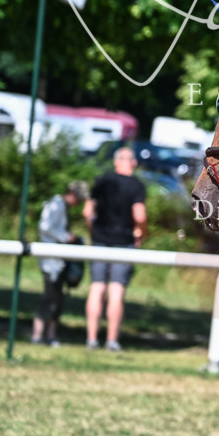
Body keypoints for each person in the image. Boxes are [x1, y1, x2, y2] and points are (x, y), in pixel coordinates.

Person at [82, 147, 147, 351]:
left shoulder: (102, 181)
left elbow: (87, 212)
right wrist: (140, 233)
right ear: (133, 163)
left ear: (115, 161)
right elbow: (140, 216)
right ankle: (112, 341)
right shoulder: (136, 185)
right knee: (116, 290)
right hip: (124, 241)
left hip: (100, 239)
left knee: (97, 287)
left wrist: (93, 230)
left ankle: (91, 339)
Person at [31, 180, 90, 347]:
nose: (78, 203)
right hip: (51, 260)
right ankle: (38, 335)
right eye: (78, 199)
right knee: (50, 297)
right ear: (72, 194)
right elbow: (45, 226)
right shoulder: (57, 204)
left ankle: (50, 335)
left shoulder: (62, 206)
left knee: (57, 297)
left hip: (58, 260)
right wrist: (65, 237)